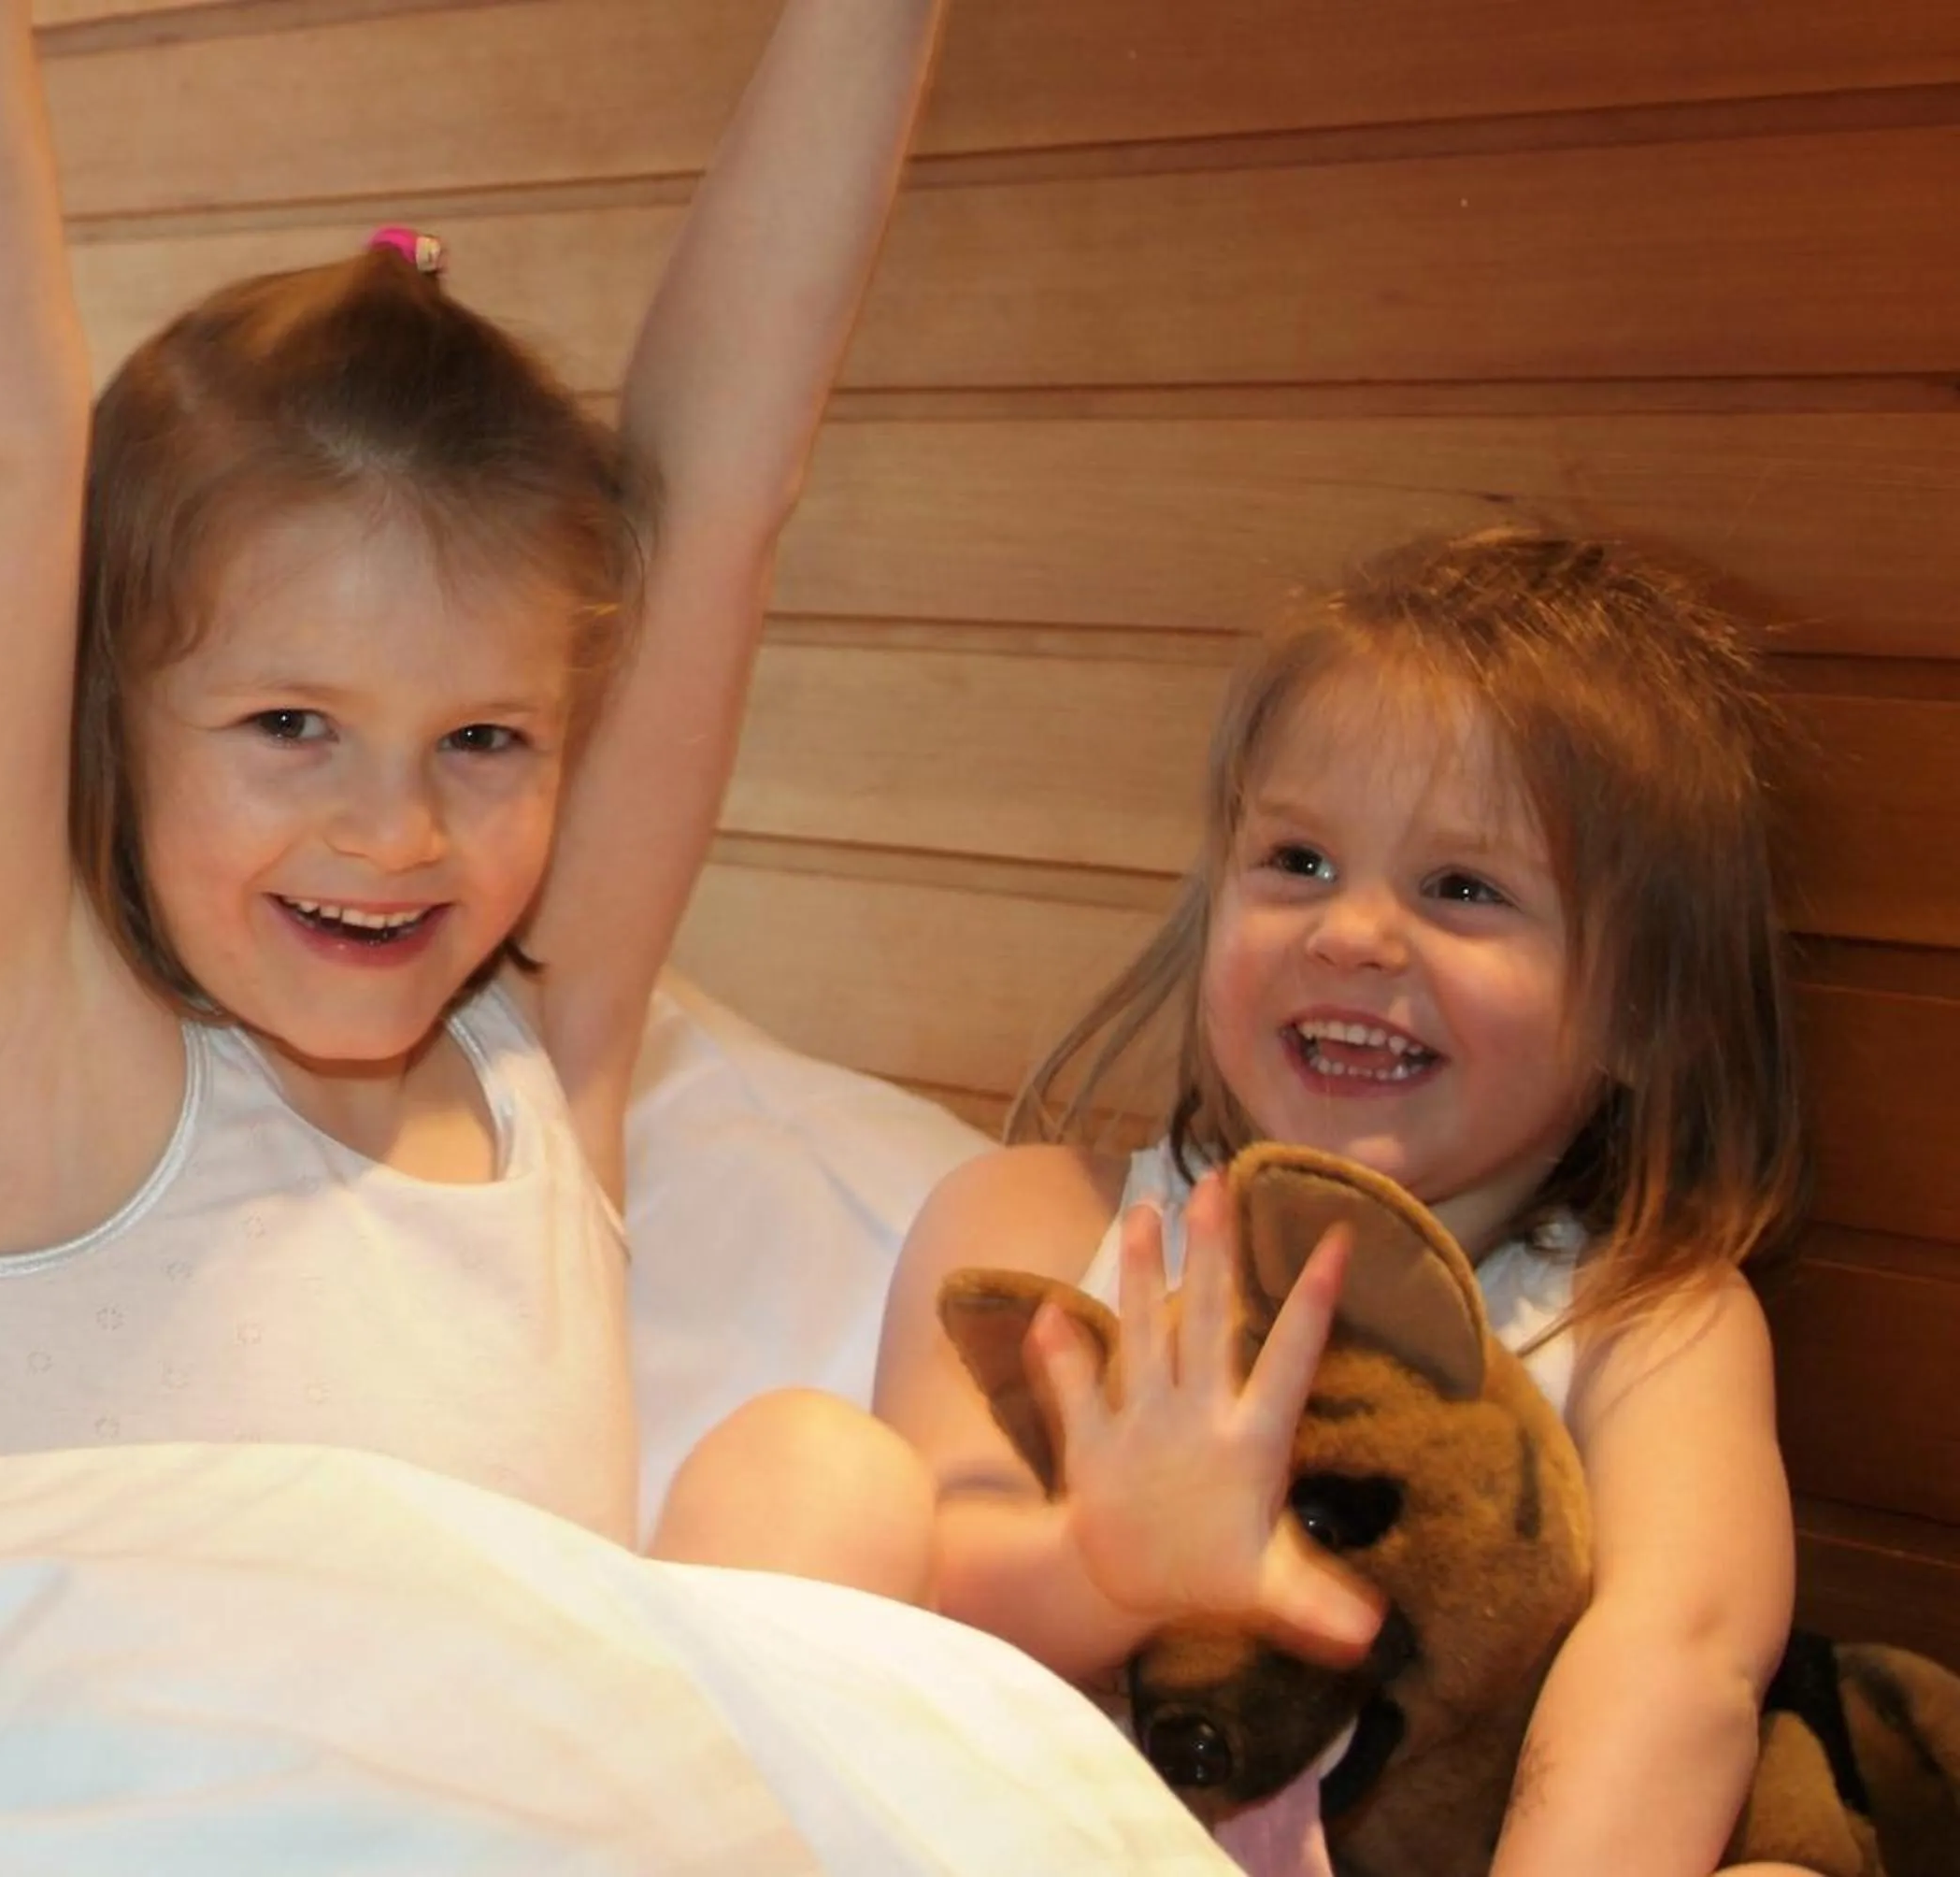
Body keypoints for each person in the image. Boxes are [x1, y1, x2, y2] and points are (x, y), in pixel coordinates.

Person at [0, 0, 945, 1544]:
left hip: (559, 1775)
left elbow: (722, 492)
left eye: (485, 739)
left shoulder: (544, 1060)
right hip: (196, 1770)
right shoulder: (42, 1068)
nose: (396, 831)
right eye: (290, 725)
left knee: (827, 1473)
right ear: (107, 718)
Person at [667, 530, 1810, 1875]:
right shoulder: (1039, 1223)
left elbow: (1682, 1664)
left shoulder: (1644, 1322)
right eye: (1298, 862)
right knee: (799, 1464)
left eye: (1464, 888)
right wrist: (1109, 1567)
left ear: (1640, 1009)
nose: (1353, 932)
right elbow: (926, 1592)